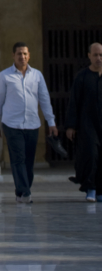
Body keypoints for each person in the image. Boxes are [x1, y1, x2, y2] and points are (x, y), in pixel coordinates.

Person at [0, 41, 58, 204]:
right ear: (13, 56)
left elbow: (44, 99)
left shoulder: (37, 75)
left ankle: (22, 190)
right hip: (12, 124)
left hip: (32, 124)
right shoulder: (5, 75)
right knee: (18, 158)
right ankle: (25, 192)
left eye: (25, 54)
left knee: (29, 160)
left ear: (29, 56)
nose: (22, 56)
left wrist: (51, 122)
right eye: (19, 54)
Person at [65, 41, 102, 202]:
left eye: (101, 55)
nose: (99, 58)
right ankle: (91, 188)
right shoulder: (82, 76)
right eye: (95, 55)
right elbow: (74, 102)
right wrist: (71, 126)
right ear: (89, 56)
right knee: (91, 155)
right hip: (87, 124)